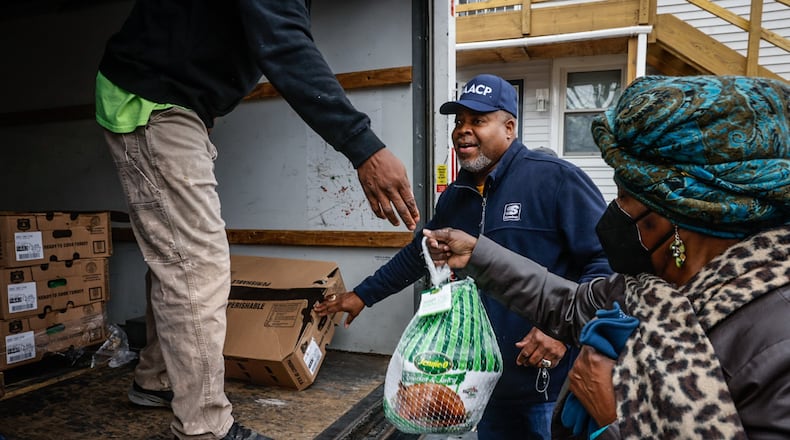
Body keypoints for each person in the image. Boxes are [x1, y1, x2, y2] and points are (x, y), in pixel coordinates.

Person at [95, 2, 420, 440]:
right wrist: (364, 147)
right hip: (151, 101)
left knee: (179, 257)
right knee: (198, 267)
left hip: (172, 102)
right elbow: (284, 46)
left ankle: (156, 379)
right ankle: (204, 427)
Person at [424, 75, 790, 439]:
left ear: (680, 213)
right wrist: (476, 253)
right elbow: (566, 303)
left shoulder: (775, 343)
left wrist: (611, 418)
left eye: (624, 196)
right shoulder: (648, 291)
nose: (615, 209)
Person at [315, 73, 613, 439]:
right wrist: (362, 295)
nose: (463, 130)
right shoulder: (456, 196)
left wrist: (563, 330)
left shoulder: (555, 180)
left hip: (548, 385)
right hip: (485, 382)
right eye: (459, 121)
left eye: (478, 120)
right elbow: (418, 255)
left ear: (509, 127)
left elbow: (607, 264)